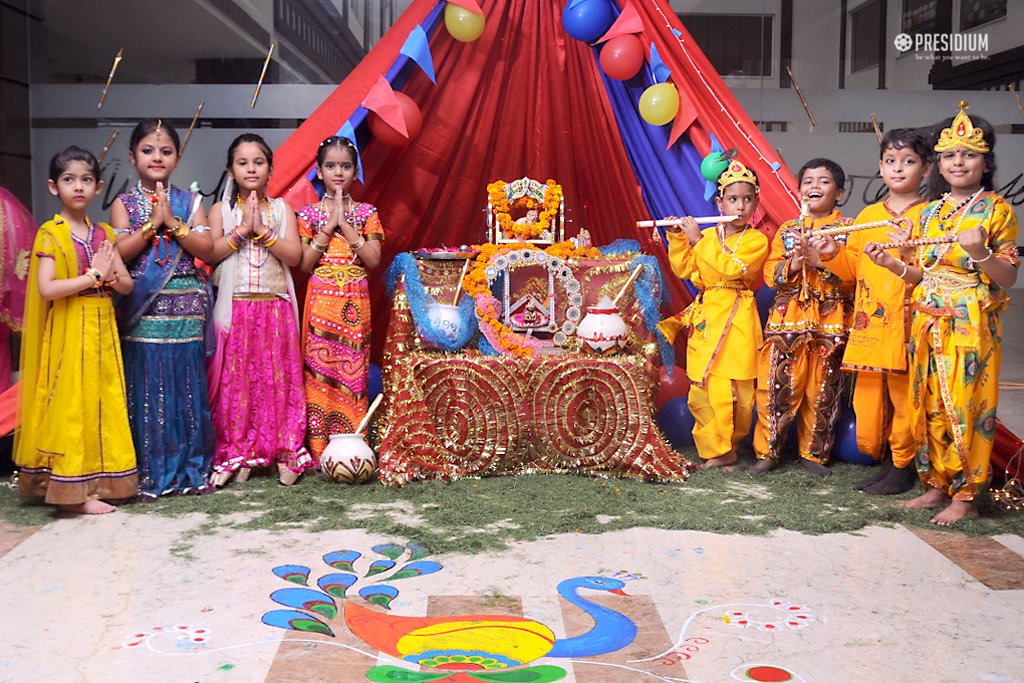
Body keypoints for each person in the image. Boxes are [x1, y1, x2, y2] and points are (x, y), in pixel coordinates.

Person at [864, 102, 1018, 525]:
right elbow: (921, 273)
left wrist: (980, 252)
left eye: (969, 154)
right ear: (939, 164)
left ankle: (966, 494)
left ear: (986, 163)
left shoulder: (996, 209)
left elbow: (1005, 276)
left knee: (967, 406)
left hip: (969, 321)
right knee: (926, 401)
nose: (958, 162)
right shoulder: (930, 213)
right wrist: (893, 264)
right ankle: (935, 484)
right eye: (950, 154)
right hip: (926, 317)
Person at [14, 146, 137, 513]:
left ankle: (100, 482)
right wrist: (92, 276)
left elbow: (127, 285)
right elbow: (46, 289)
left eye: (86, 180)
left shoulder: (103, 233)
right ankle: (71, 493)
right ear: (54, 187)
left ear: (98, 186)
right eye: (69, 180)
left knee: (102, 402)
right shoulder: (50, 234)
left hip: (102, 329)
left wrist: (111, 278)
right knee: (71, 405)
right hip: (69, 328)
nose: (78, 187)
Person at [811, 129, 932, 495]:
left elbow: (936, 268)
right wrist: (832, 251)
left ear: (926, 169)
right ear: (880, 167)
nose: (898, 169)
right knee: (868, 403)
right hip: (867, 326)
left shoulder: (932, 215)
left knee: (903, 399)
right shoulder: (868, 216)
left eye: (908, 161)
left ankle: (902, 466)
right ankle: (883, 460)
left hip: (909, 324)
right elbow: (850, 274)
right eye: (890, 161)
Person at [111, 119, 216, 499]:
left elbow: (209, 251)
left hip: (187, 311)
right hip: (145, 312)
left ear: (177, 157)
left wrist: (172, 222)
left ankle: (191, 470)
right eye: (148, 150)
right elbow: (117, 255)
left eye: (166, 151)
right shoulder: (124, 204)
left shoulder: (192, 202)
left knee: (187, 391)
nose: (157, 157)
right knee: (149, 390)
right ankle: (151, 472)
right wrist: (149, 226)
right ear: (133, 155)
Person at [206, 134, 311, 486]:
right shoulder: (222, 211)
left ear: (270, 169)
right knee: (236, 385)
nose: (251, 168)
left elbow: (295, 257)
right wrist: (241, 230)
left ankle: (285, 450)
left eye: (258, 162)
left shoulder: (283, 210)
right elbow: (211, 253)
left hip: (275, 308)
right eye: (242, 162)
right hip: (236, 307)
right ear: (230, 170)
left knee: (277, 383)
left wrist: (263, 232)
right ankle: (240, 452)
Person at [657, 160, 769, 467]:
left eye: (748, 199)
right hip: (707, 319)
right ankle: (714, 449)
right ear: (719, 202)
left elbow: (731, 269)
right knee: (702, 387)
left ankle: (728, 447)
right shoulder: (708, 236)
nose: (741, 206)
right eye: (733, 199)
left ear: (756, 203)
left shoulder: (757, 240)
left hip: (738, 319)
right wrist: (679, 237)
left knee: (736, 391)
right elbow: (687, 269)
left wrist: (696, 239)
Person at [748, 159, 854, 477]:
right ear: (799, 191)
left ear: (841, 193)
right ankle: (768, 452)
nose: (814, 187)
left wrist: (822, 262)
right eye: (808, 182)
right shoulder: (788, 230)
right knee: (776, 384)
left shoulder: (849, 229)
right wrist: (793, 266)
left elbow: (854, 276)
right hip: (787, 320)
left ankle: (814, 454)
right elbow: (770, 274)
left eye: (823, 181)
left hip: (831, 320)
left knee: (823, 389)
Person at [296, 136, 383, 460]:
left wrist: (345, 226)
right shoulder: (307, 214)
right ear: (319, 172)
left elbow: (373, 260)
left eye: (345, 166)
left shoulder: (366, 212)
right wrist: (326, 227)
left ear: (354, 170)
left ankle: (353, 447)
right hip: (321, 302)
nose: (338, 172)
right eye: (331, 166)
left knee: (354, 370)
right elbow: (304, 264)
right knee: (319, 372)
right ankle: (319, 449)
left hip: (355, 303)